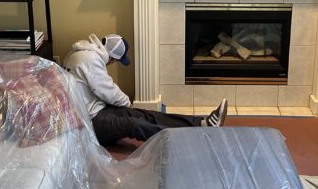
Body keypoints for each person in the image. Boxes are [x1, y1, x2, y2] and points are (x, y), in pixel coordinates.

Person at [64, 33, 228, 145]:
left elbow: (103, 91)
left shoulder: (81, 53)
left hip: (98, 111)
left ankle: (202, 123)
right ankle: (190, 139)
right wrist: (127, 103)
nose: (112, 64)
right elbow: (107, 90)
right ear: (112, 57)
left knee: (144, 114)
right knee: (134, 124)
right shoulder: (89, 59)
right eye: (115, 61)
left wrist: (129, 107)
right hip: (89, 122)